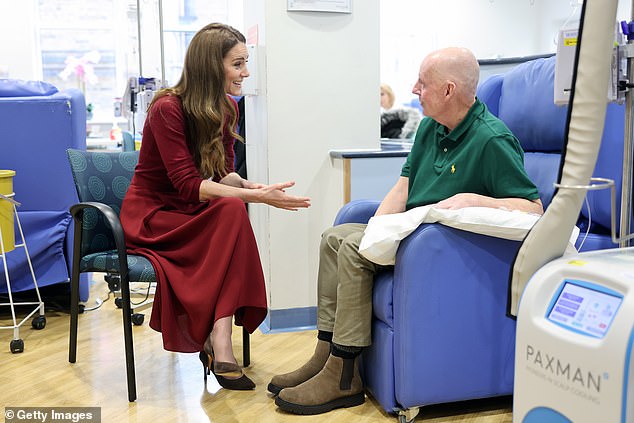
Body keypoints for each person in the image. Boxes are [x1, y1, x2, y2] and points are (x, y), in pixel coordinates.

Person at [269, 47, 543, 414]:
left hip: (440, 250)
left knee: (352, 249)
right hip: (411, 234)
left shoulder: (492, 140)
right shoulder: (431, 126)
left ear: (448, 90)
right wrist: (377, 232)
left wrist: (476, 200)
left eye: (423, 83)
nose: (414, 88)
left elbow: (532, 208)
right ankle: (327, 354)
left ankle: (345, 375)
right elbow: (403, 188)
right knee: (336, 239)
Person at [119, 23, 311, 391]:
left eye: (246, 62)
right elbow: (189, 185)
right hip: (154, 215)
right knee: (235, 211)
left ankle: (219, 338)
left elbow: (222, 177)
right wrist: (255, 197)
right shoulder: (166, 108)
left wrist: (253, 186)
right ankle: (219, 342)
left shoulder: (225, 107)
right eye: (238, 64)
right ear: (211, 65)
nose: (246, 72)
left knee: (233, 210)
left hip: (192, 210)